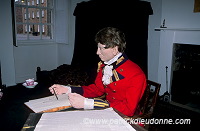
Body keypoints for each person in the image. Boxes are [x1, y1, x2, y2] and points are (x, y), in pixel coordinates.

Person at [49, 27, 147, 117]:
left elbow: (128, 109)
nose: (97, 52)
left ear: (115, 49)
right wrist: (67, 89)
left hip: (127, 118)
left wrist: (88, 103)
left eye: (101, 48)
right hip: (108, 111)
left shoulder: (136, 74)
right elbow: (97, 89)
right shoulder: (105, 65)